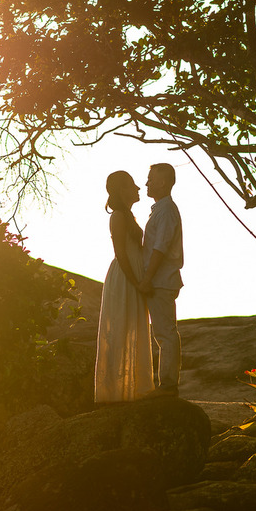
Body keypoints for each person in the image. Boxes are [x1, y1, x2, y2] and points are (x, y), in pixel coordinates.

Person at [94, 170, 156, 403]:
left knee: (134, 327)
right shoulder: (119, 216)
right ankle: (115, 392)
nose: (138, 188)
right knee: (121, 328)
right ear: (121, 190)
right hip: (125, 279)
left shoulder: (128, 216)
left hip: (134, 278)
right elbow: (120, 253)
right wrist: (138, 282)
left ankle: (133, 388)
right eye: (132, 185)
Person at [138, 163, 184, 397]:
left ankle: (167, 385)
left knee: (165, 333)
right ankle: (166, 384)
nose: (146, 183)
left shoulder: (166, 211)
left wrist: (147, 278)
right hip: (161, 279)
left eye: (150, 179)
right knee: (163, 333)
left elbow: (160, 248)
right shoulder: (161, 209)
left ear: (163, 182)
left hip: (162, 280)